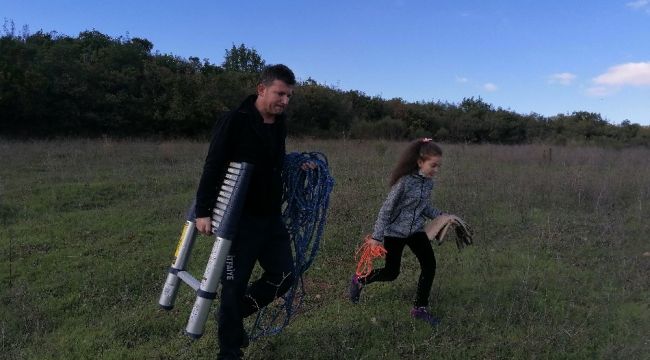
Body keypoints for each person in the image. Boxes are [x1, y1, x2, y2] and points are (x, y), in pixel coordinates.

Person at [194, 64, 297, 359]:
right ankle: (229, 351)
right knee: (233, 284)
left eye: (289, 96)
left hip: (271, 217)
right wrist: (203, 211)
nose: (285, 101)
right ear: (261, 89)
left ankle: (232, 319)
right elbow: (213, 165)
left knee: (284, 275)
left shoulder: (280, 123)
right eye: (280, 94)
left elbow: (275, 160)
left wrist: (296, 164)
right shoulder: (234, 121)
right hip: (237, 221)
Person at [349, 138, 444, 325]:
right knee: (391, 273)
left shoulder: (428, 183)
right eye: (433, 165)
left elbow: (423, 207)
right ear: (420, 162)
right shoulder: (404, 182)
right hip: (394, 232)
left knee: (429, 265)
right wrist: (377, 236)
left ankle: (419, 308)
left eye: (438, 166)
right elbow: (386, 209)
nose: (436, 170)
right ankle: (359, 279)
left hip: (416, 230)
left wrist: (442, 215)